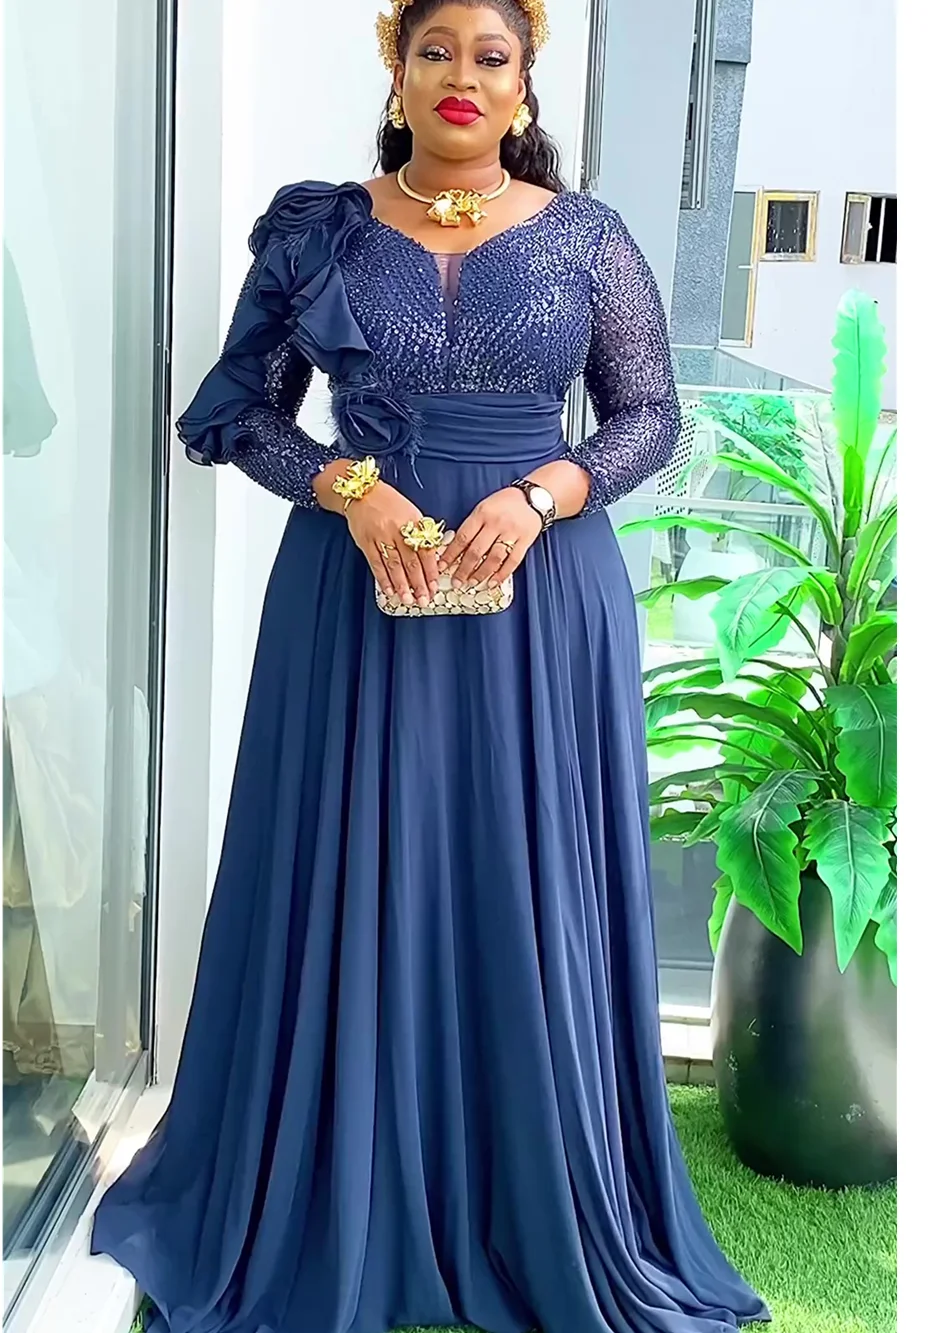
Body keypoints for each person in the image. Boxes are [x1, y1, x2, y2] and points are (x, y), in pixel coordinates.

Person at [91, 3, 770, 1331]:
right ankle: (338, 1188)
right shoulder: (319, 233)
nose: (464, 76)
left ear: (525, 85)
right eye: (437, 51)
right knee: (355, 863)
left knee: (524, 870)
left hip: (542, 598)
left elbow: (651, 416)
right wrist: (348, 489)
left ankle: (540, 1192)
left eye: (491, 57)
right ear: (396, 69)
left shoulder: (589, 237)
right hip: (354, 597)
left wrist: (548, 491)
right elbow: (233, 414)